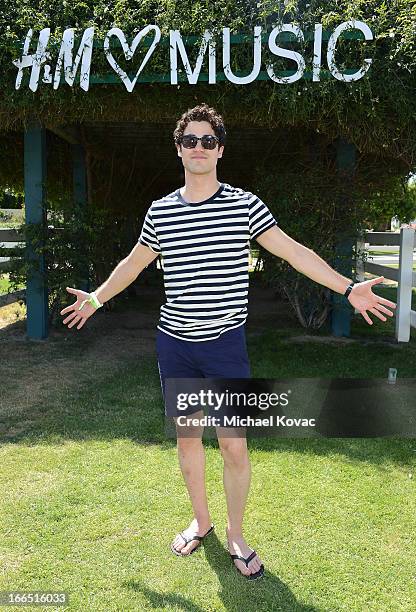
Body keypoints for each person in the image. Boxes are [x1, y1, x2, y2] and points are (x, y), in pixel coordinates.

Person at [60, 103, 396, 580]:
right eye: (190, 141)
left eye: (208, 141)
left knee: (234, 445)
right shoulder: (160, 212)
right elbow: (134, 263)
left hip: (224, 346)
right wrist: (95, 298)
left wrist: (347, 286)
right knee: (188, 440)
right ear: (178, 149)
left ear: (220, 150)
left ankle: (236, 533)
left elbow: (293, 251)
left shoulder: (244, 205)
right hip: (174, 344)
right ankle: (202, 522)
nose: (199, 148)